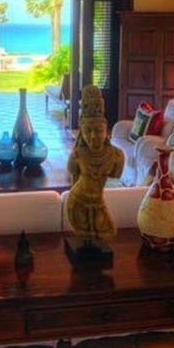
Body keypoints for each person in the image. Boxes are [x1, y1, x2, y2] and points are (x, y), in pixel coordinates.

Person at [65, 85, 125, 244]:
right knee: (85, 238)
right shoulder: (78, 155)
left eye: (98, 130)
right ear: (81, 133)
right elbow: (73, 176)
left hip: (98, 203)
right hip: (77, 201)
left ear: (106, 131)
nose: (93, 137)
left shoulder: (116, 156)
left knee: (108, 234)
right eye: (87, 131)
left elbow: (115, 176)